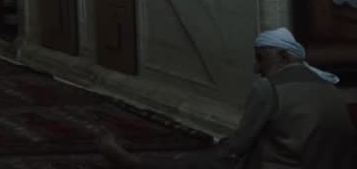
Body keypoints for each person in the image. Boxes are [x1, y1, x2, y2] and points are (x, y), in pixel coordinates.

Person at [97, 27, 356, 168]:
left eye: (261, 59)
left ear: (285, 58)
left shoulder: (268, 88)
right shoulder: (327, 84)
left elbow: (235, 149)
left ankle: (136, 164)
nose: (256, 68)